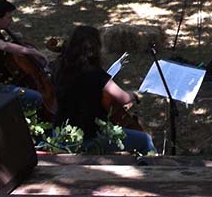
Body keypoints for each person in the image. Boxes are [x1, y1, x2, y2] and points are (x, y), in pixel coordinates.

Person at [53, 26, 156, 155]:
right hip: (88, 138)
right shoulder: (95, 73)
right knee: (144, 140)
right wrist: (133, 95)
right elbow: (124, 98)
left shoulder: (59, 67)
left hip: (59, 134)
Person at [0, 0, 46, 109]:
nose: (11, 20)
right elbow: (4, 46)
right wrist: (31, 51)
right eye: (8, 17)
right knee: (36, 97)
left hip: (6, 82)